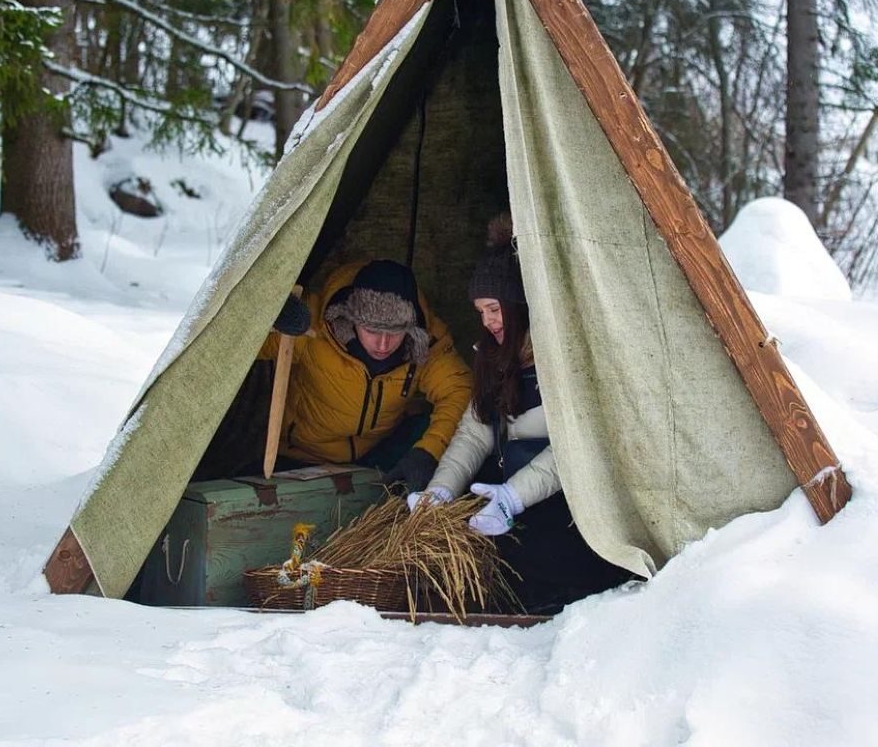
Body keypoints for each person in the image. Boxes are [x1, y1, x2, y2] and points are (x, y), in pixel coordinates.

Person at [406, 218, 631, 613]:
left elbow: (577, 447)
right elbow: (475, 434)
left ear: (520, 305)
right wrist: (441, 492)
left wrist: (514, 496)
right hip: (516, 496)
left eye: (494, 309)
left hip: (570, 505)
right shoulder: (494, 359)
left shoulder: (566, 360)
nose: (488, 321)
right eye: (480, 312)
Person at [262, 259, 472, 490]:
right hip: (301, 454)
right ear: (350, 317)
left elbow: (459, 390)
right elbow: (234, 345)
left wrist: (429, 452)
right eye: (371, 330)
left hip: (378, 453)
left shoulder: (427, 341)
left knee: (427, 427)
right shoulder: (309, 325)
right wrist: (267, 316)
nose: (383, 344)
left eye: (395, 332)